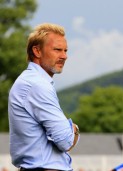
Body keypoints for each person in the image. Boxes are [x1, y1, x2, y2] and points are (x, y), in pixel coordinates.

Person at [8, 23, 80, 171]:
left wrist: (68, 130)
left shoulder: (32, 81)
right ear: (37, 51)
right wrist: (75, 129)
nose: (64, 56)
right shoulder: (37, 84)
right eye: (57, 50)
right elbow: (65, 141)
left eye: (65, 50)